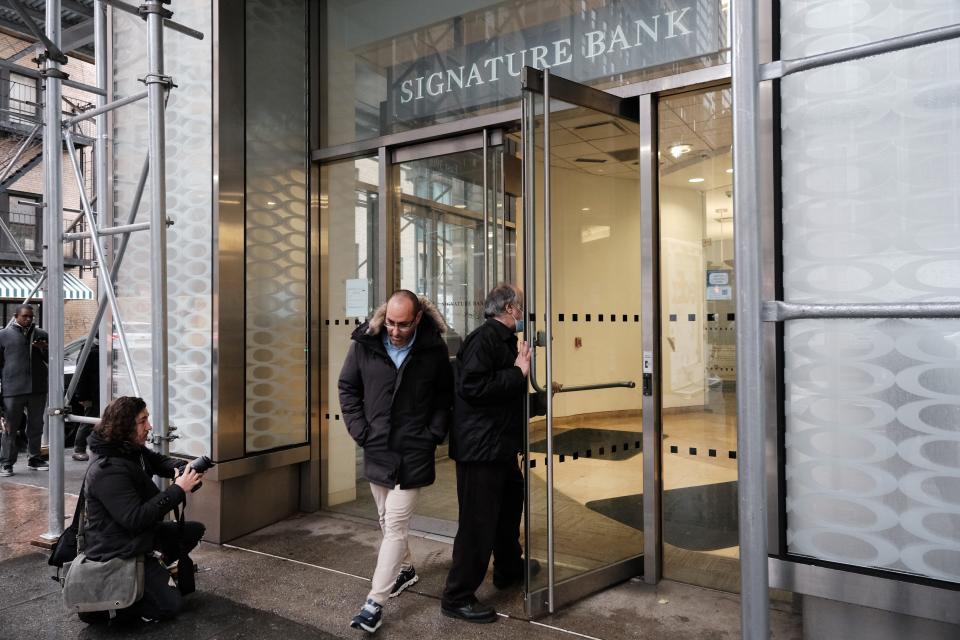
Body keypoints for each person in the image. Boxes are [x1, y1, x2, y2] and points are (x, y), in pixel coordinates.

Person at [338, 290, 453, 634]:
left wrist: (432, 433)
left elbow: (444, 397)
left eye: (403, 324)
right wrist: (360, 430)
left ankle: (374, 603)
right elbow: (347, 386)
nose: (395, 330)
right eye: (390, 322)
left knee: (396, 525)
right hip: (377, 448)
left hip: (413, 453)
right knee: (385, 519)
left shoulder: (433, 350)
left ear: (417, 318)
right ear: (383, 315)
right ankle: (405, 570)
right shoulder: (365, 343)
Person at [441, 283, 541, 623]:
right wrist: (517, 372)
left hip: (497, 446)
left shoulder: (500, 340)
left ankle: (508, 568)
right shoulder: (484, 339)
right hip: (480, 451)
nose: (525, 313)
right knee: (477, 523)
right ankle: (457, 596)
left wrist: (539, 397)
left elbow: (503, 395)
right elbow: (472, 388)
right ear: (511, 308)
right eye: (522, 306)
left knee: (510, 507)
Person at [80, 396, 206, 624]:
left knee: (193, 531)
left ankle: (152, 570)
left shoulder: (131, 449)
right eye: (143, 421)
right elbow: (135, 519)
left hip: (141, 538)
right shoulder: (108, 469)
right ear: (125, 426)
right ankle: (120, 598)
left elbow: (159, 461)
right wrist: (178, 489)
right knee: (171, 607)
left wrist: (183, 469)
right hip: (119, 549)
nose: (149, 426)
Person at [0, 304, 49, 475]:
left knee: (36, 426)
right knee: (10, 428)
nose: (28, 319)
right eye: (25, 316)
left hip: (37, 388)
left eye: (31, 316)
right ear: (16, 316)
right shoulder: (3, 335)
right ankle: (6, 463)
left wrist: (45, 349)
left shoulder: (41, 334)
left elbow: (52, 359)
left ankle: (34, 458)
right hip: (12, 389)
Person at [70, 341, 99, 462]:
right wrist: (82, 396)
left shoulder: (93, 349)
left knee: (91, 420)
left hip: (97, 391)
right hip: (93, 393)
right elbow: (81, 375)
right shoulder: (91, 351)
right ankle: (79, 449)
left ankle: (82, 448)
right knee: (88, 420)